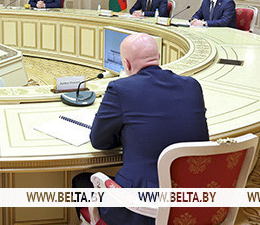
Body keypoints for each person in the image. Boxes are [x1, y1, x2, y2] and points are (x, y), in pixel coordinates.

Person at [72, 33, 208, 225]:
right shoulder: (192, 86)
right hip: (193, 202)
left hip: (142, 209)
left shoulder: (120, 89)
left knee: (81, 182)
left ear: (126, 64)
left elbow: (99, 141)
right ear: (158, 57)